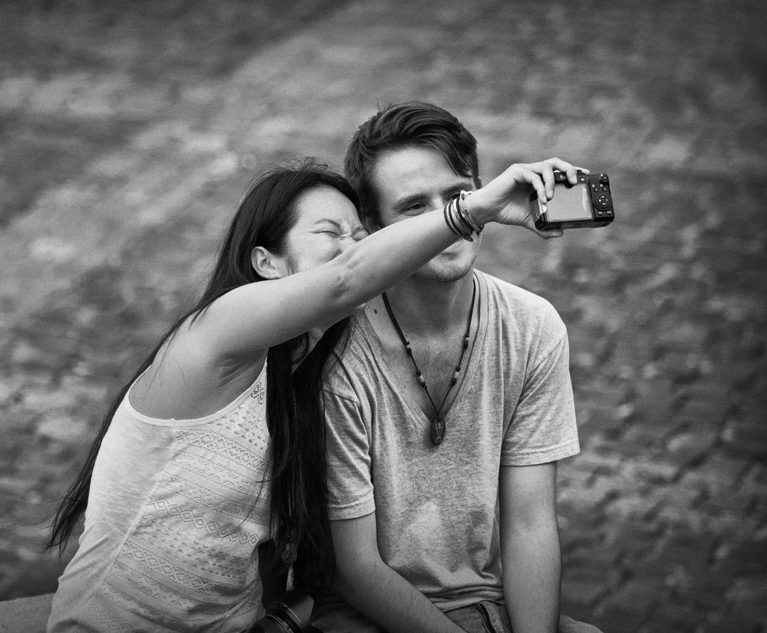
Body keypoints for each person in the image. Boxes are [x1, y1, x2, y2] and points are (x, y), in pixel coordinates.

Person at [44, 154, 575, 632]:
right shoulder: (216, 334)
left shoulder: (306, 372)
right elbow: (347, 279)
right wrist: (473, 208)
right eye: (330, 232)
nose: (354, 248)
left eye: (361, 235)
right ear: (266, 263)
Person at [312, 102, 603, 633]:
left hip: (483, 601)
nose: (448, 222)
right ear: (373, 227)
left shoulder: (531, 326)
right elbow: (354, 571)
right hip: (360, 614)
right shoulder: (340, 353)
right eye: (414, 207)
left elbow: (530, 524)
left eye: (457, 198)